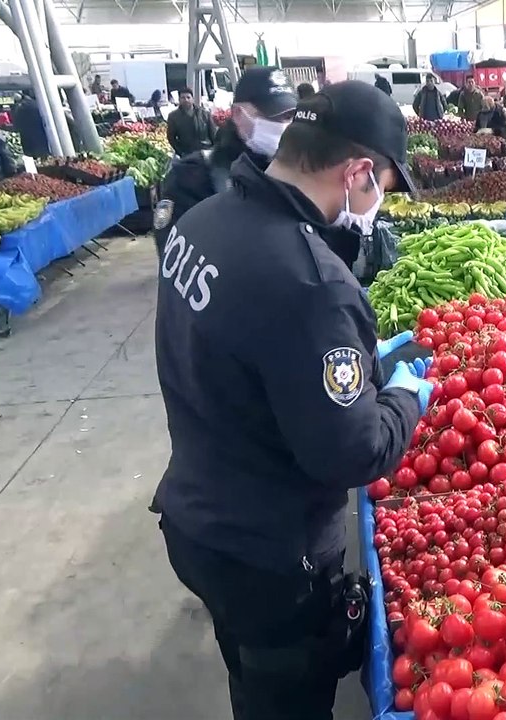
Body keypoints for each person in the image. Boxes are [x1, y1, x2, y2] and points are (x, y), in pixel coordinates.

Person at [151, 79, 427, 720]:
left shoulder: (203, 222)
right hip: (272, 557)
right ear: (358, 170)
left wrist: (345, 363)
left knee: (249, 677)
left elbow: (237, 355)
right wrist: (405, 398)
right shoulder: (311, 282)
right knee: (287, 698)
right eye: (381, 188)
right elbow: (354, 452)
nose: (376, 206)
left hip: (197, 521)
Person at [154, 67, 297, 257]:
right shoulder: (192, 178)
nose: (283, 125)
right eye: (272, 116)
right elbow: (175, 257)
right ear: (238, 114)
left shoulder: (299, 173)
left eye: (289, 116)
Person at [165, 89, 216, 158]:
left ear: (193, 99)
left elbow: (213, 134)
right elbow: (171, 137)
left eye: (188, 97)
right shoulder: (173, 117)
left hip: (206, 151)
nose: (186, 100)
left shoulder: (205, 114)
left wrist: (213, 150)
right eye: (183, 98)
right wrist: (180, 152)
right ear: (179, 100)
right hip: (187, 154)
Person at [12, 91, 49, 158]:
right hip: (40, 135)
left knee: (30, 157)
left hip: (26, 139)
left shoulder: (19, 108)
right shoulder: (38, 105)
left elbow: (16, 125)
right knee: (43, 157)